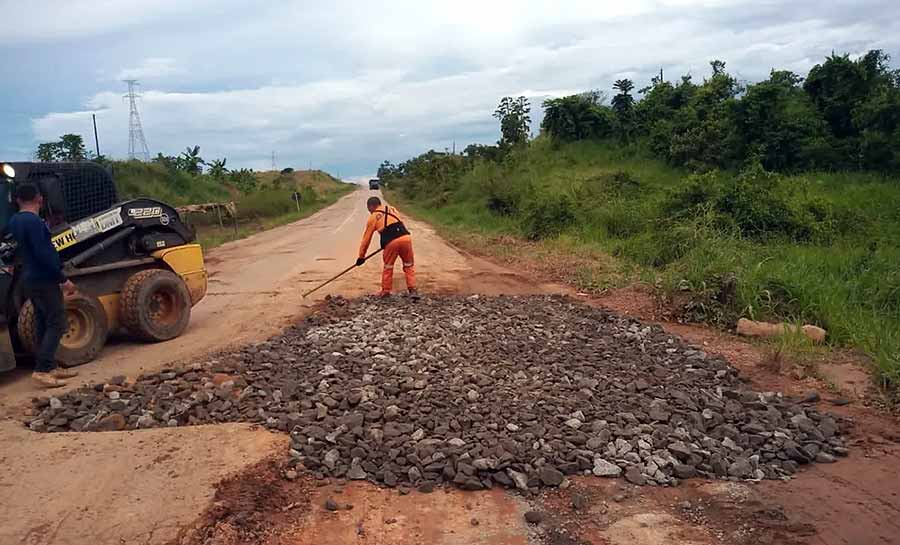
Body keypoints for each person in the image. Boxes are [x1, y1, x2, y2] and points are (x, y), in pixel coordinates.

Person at [7, 183, 78, 388]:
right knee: (57, 323)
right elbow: (44, 253)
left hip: (28, 278)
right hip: (43, 278)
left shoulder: (15, 221)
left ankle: (49, 366)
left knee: (41, 323)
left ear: (17, 200)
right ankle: (41, 370)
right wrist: (62, 279)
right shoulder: (35, 222)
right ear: (39, 199)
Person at [356, 197, 418, 298]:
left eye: (369, 209)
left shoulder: (373, 217)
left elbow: (366, 239)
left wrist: (361, 256)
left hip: (391, 243)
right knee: (408, 265)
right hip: (406, 238)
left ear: (371, 206)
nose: (370, 212)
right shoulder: (392, 209)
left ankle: (386, 291)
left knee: (388, 267)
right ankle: (413, 290)